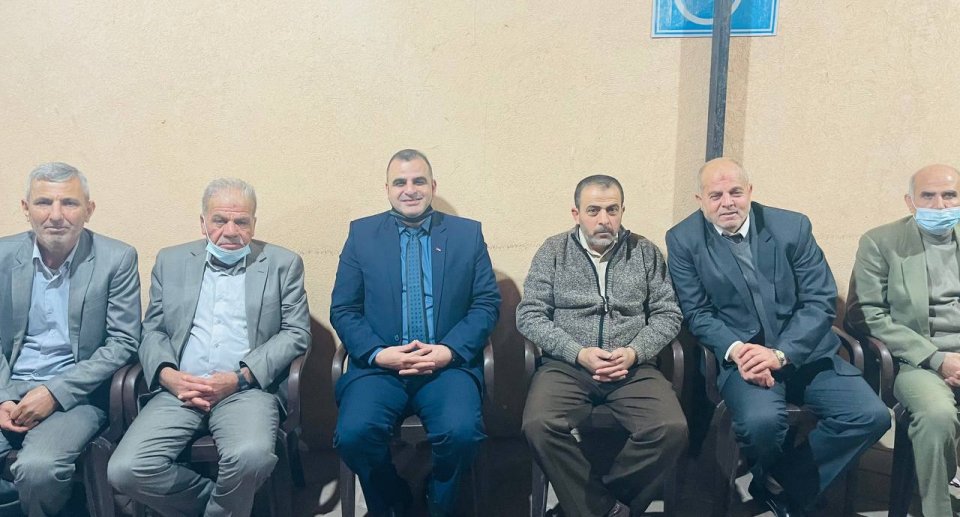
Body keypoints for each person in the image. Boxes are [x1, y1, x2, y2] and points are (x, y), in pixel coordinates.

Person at [666, 157, 889, 516]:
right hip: (744, 361)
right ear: (700, 199)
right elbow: (697, 312)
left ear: (750, 191)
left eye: (736, 192)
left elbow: (819, 300)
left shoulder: (791, 227)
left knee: (871, 415)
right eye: (716, 195)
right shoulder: (684, 239)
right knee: (761, 424)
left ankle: (779, 482)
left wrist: (781, 353)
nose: (727, 203)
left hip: (807, 354)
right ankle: (791, 490)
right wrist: (738, 350)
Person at [108, 178, 310, 516]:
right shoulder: (171, 261)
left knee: (252, 457)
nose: (230, 231)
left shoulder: (282, 263)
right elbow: (153, 329)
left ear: (253, 223)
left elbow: (296, 333)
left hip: (245, 389)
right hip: (181, 389)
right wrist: (168, 375)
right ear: (203, 222)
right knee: (125, 470)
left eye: (241, 221)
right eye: (219, 220)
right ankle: (224, 506)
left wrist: (240, 378)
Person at [331, 149, 500, 517]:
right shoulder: (361, 235)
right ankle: (394, 500)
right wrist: (379, 354)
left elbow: (486, 303)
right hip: (379, 367)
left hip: (446, 367)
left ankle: (439, 501)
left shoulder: (466, 234)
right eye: (400, 182)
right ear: (387, 189)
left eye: (418, 181)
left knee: (462, 433)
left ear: (433, 186)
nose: (410, 189)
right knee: (354, 435)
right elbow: (344, 308)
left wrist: (449, 350)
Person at [517, 175, 687, 517]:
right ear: (576, 213)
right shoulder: (553, 251)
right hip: (568, 366)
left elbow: (669, 314)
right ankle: (608, 510)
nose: (604, 219)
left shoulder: (645, 252)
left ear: (622, 211)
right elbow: (529, 314)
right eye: (593, 210)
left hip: (633, 367)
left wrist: (635, 351)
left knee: (671, 429)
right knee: (539, 424)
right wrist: (577, 352)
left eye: (612, 210)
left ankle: (589, 507)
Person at [0, 162, 141, 516]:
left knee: (39, 470)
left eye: (69, 203)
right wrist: (2, 396)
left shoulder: (116, 259)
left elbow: (123, 342)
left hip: (76, 397)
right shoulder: (3, 256)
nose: (56, 215)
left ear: (88, 210)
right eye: (44, 202)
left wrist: (53, 393)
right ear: (25, 208)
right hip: (9, 386)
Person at [847, 163, 960, 516]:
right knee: (937, 415)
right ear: (910, 202)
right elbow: (865, 313)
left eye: (950, 195)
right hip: (918, 361)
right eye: (928, 196)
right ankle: (940, 510)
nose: (940, 205)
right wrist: (938, 359)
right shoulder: (881, 242)